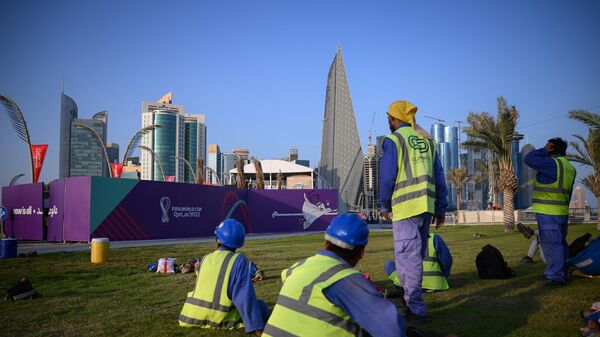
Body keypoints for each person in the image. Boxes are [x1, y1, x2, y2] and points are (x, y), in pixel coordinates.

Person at [263, 214, 407, 337]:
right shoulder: (346, 278)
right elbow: (392, 329)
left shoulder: (299, 266)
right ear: (361, 253)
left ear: (326, 243)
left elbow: (285, 276)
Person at [379, 100, 448, 318]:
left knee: (408, 258)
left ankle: (415, 306)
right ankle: (412, 299)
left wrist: (384, 204)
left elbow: (388, 176)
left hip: (406, 208)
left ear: (394, 118)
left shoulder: (394, 140)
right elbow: (439, 177)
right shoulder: (428, 141)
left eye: (389, 117)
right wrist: (441, 208)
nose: (388, 121)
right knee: (415, 257)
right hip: (426, 207)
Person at [178, 219, 269, 335]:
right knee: (262, 307)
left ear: (218, 240)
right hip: (219, 318)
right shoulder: (238, 260)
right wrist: (258, 328)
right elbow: (244, 297)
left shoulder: (205, 259)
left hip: (191, 316)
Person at [524, 137, 576, 286]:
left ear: (552, 148)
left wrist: (544, 150)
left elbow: (529, 158)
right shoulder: (570, 168)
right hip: (562, 211)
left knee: (552, 245)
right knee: (560, 244)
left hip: (548, 212)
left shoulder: (552, 164)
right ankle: (563, 272)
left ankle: (555, 276)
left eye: (547, 146)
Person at [384, 233, 452, 292]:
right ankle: (435, 280)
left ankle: (400, 284)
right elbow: (447, 262)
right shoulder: (435, 238)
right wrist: (443, 275)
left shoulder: (403, 239)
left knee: (389, 264)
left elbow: (400, 263)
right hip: (434, 284)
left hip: (408, 284)